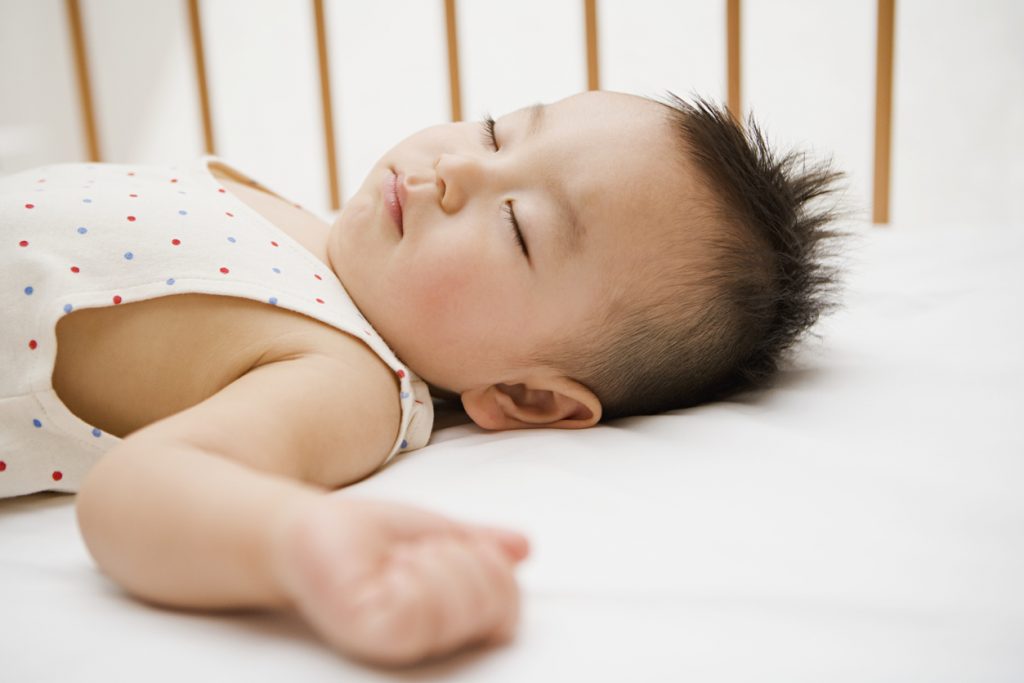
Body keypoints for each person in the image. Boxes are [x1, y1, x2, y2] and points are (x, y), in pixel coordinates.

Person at [0, 90, 843, 666]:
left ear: (529, 397)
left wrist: (290, 541)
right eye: (495, 132)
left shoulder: (344, 375)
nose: (458, 172)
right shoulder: (298, 220)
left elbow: (137, 493)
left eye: (518, 226)